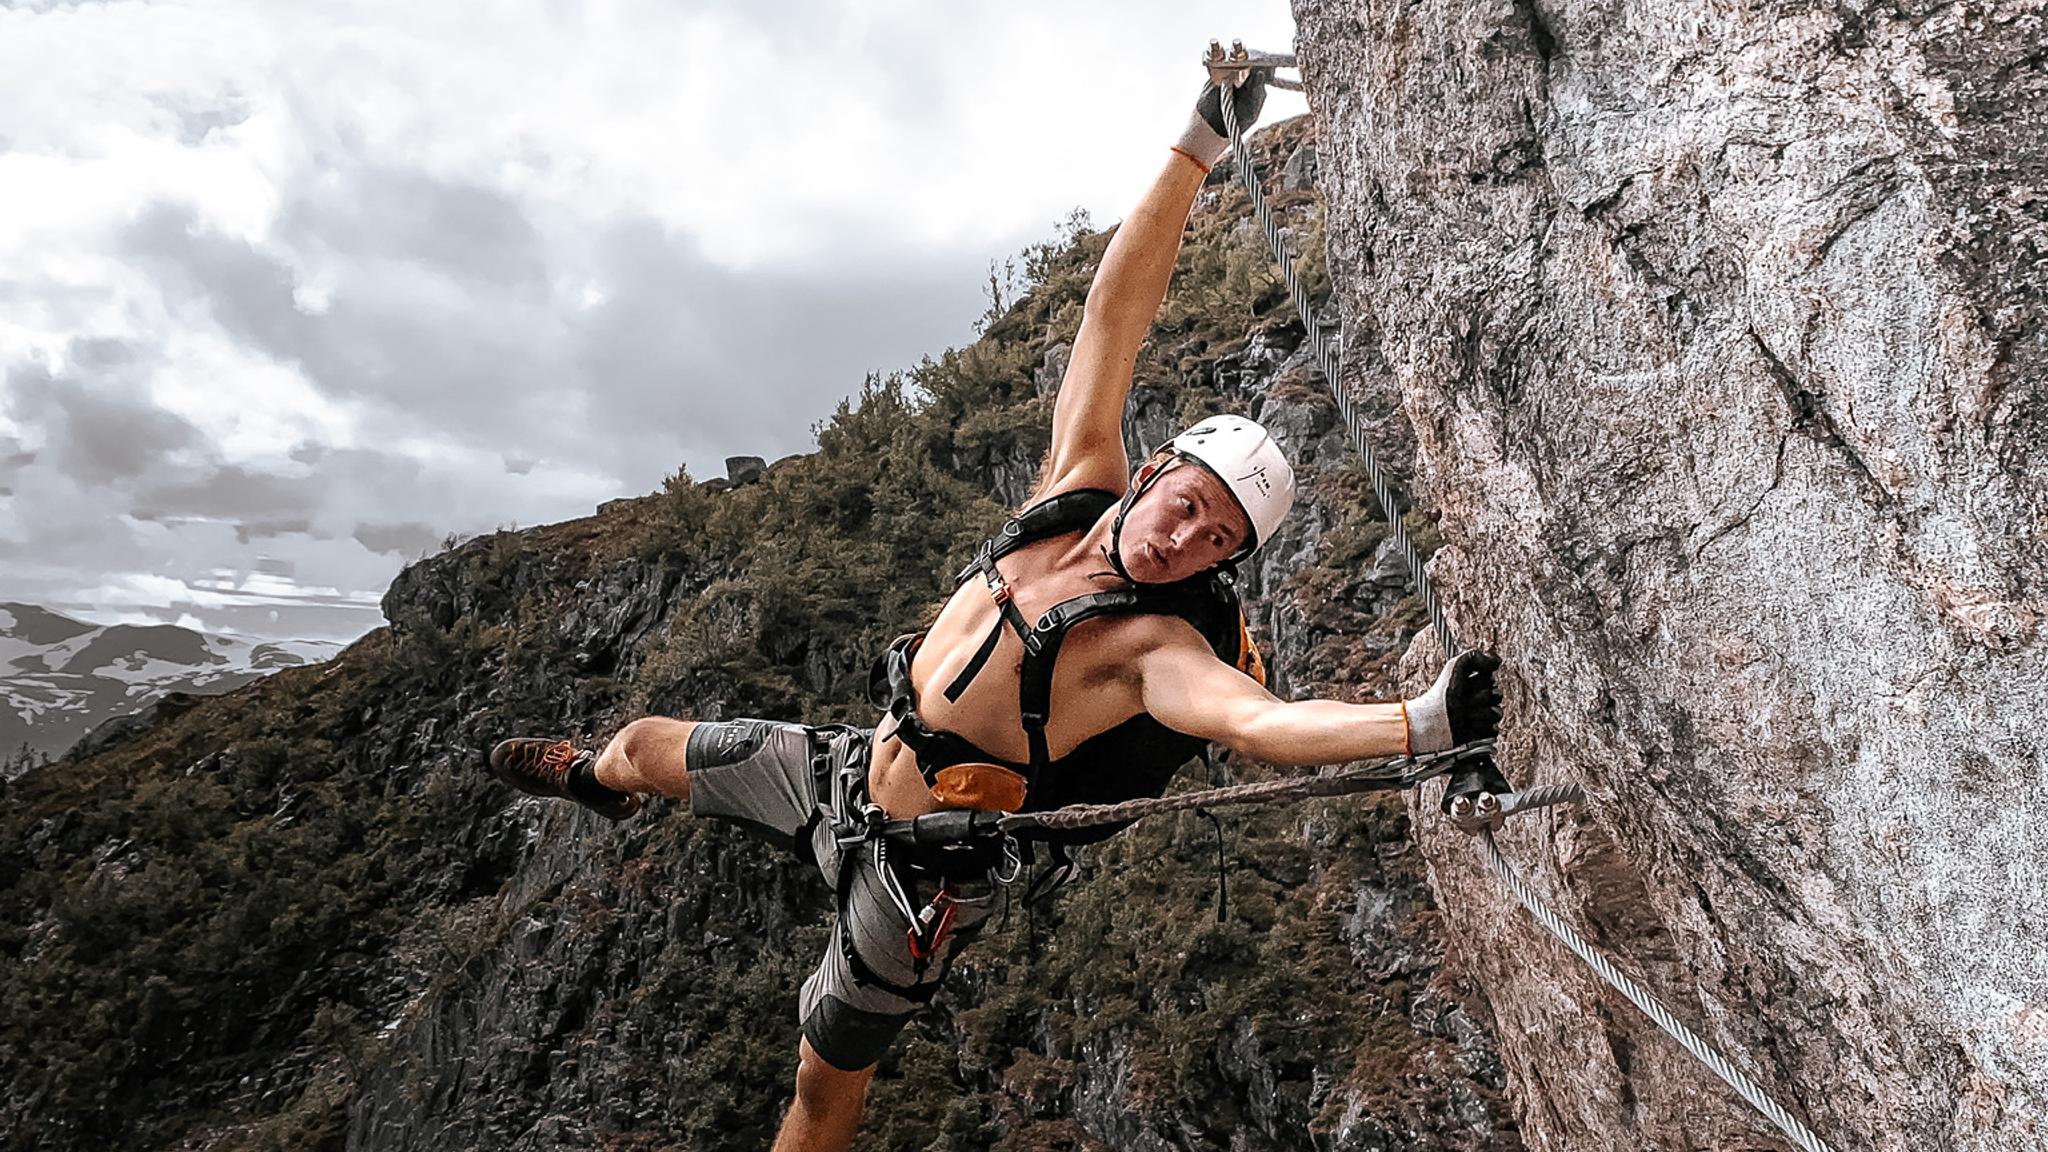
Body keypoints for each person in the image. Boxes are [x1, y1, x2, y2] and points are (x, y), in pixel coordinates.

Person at [489, 66, 1502, 1152]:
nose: (1184, 541)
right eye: (1189, 505)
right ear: (1153, 470)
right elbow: (1115, 312)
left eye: (1217, 542)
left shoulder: (1151, 648)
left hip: (921, 872)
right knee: (642, 744)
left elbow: (1259, 724)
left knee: (822, 1087)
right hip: (845, 770)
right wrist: (1195, 146)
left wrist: (1421, 723)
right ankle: (591, 781)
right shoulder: (1069, 490)